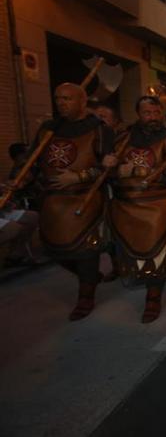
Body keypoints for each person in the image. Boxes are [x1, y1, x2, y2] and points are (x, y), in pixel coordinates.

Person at [11, 83, 115, 320]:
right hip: (52, 201)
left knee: (86, 250)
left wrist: (78, 176)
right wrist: (22, 177)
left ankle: (86, 296)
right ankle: (88, 278)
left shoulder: (100, 130)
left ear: (82, 101)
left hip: (85, 199)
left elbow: (109, 167)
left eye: (68, 98)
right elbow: (32, 161)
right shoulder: (49, 129)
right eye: (58, 98)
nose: (61, 103)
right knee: (54, 249)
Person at [105, 96, 166, 323]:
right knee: (131, 252)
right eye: (147, 113)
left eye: (156, 113)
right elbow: (106, 172)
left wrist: (146, 172)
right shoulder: (122, 138)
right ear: (139, 114)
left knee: (156, 253)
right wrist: (117, 170)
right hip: (127, 206)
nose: (152, 117)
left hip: (159, 207)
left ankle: (153, 297)